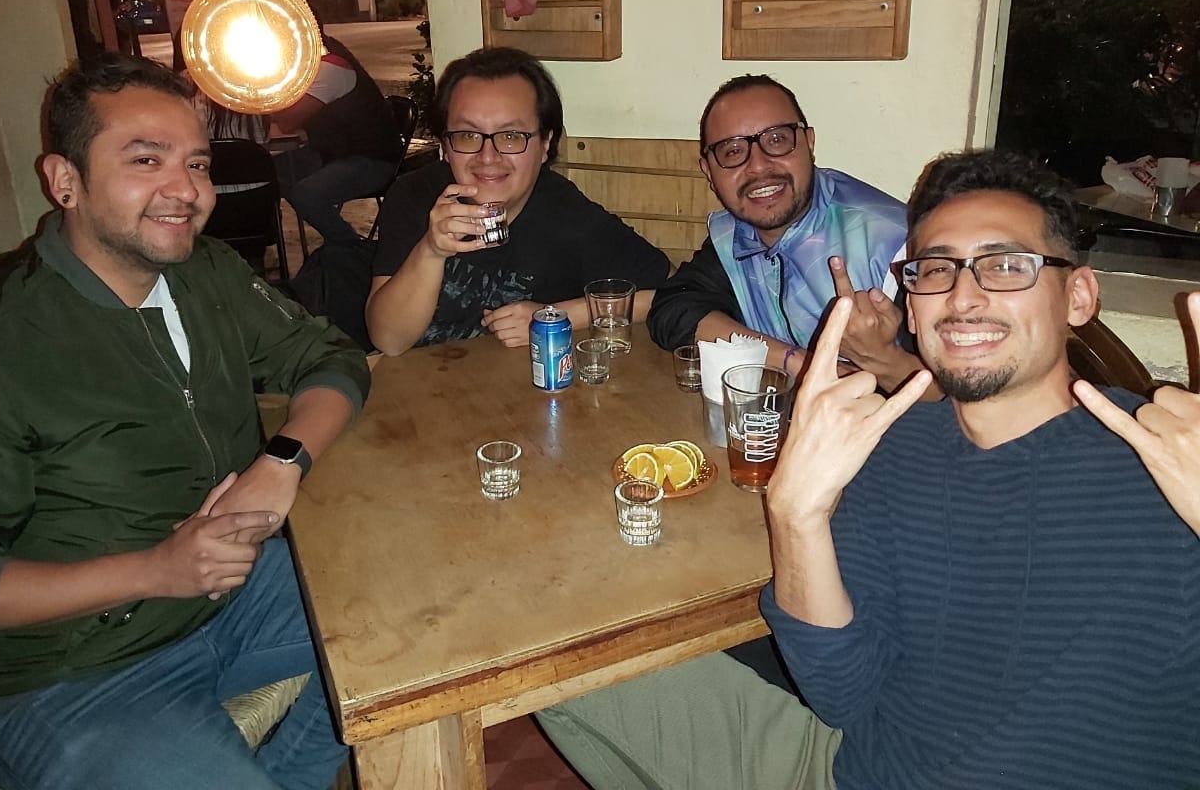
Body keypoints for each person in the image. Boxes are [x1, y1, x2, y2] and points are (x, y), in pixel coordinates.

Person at [537, 149, 1200, 789]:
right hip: (859, 769)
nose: (963, 298)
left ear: (1078, 295)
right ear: (911, 305)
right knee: (553, 655)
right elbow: (845, 697)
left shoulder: (1169, 465)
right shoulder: (896, 446)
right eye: (934, 271)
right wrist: (796, 515)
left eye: (1004, 266)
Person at [0, 52, 371, 790]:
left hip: (235, 598)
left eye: (196, 163)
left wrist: (280, 464)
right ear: (63, 181)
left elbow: (331, 361)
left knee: (423, 617)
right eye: (146, 160)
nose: (186, 190)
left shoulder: (205, 273)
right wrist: (154, 570)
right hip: (63, 673)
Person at [366, 46, 670, 354]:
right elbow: (388, 341)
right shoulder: (414, 195)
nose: (488, 157)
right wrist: (430, 250)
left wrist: (554, 317)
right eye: (468, 135)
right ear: (446, 144)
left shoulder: (565, 211)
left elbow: (669, 292)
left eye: (511, 136)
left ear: (545, 144)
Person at [647, 74, 922, 391]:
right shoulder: (737, 233)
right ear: (709, 172)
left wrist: (881, 361)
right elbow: (675, 310)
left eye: (777, 140)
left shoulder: (895, 247)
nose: (758, 166)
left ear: (809, 143)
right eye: (733, 151)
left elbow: (955, 396)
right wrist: (798, 363)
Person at [275, 28, 401, 247]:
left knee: (306, 195)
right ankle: (260, 249)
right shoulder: (313, 62)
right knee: (272, 174)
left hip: (372, 160)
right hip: (336, 153)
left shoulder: (330, 68)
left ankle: (351, 248)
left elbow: (287, 122)